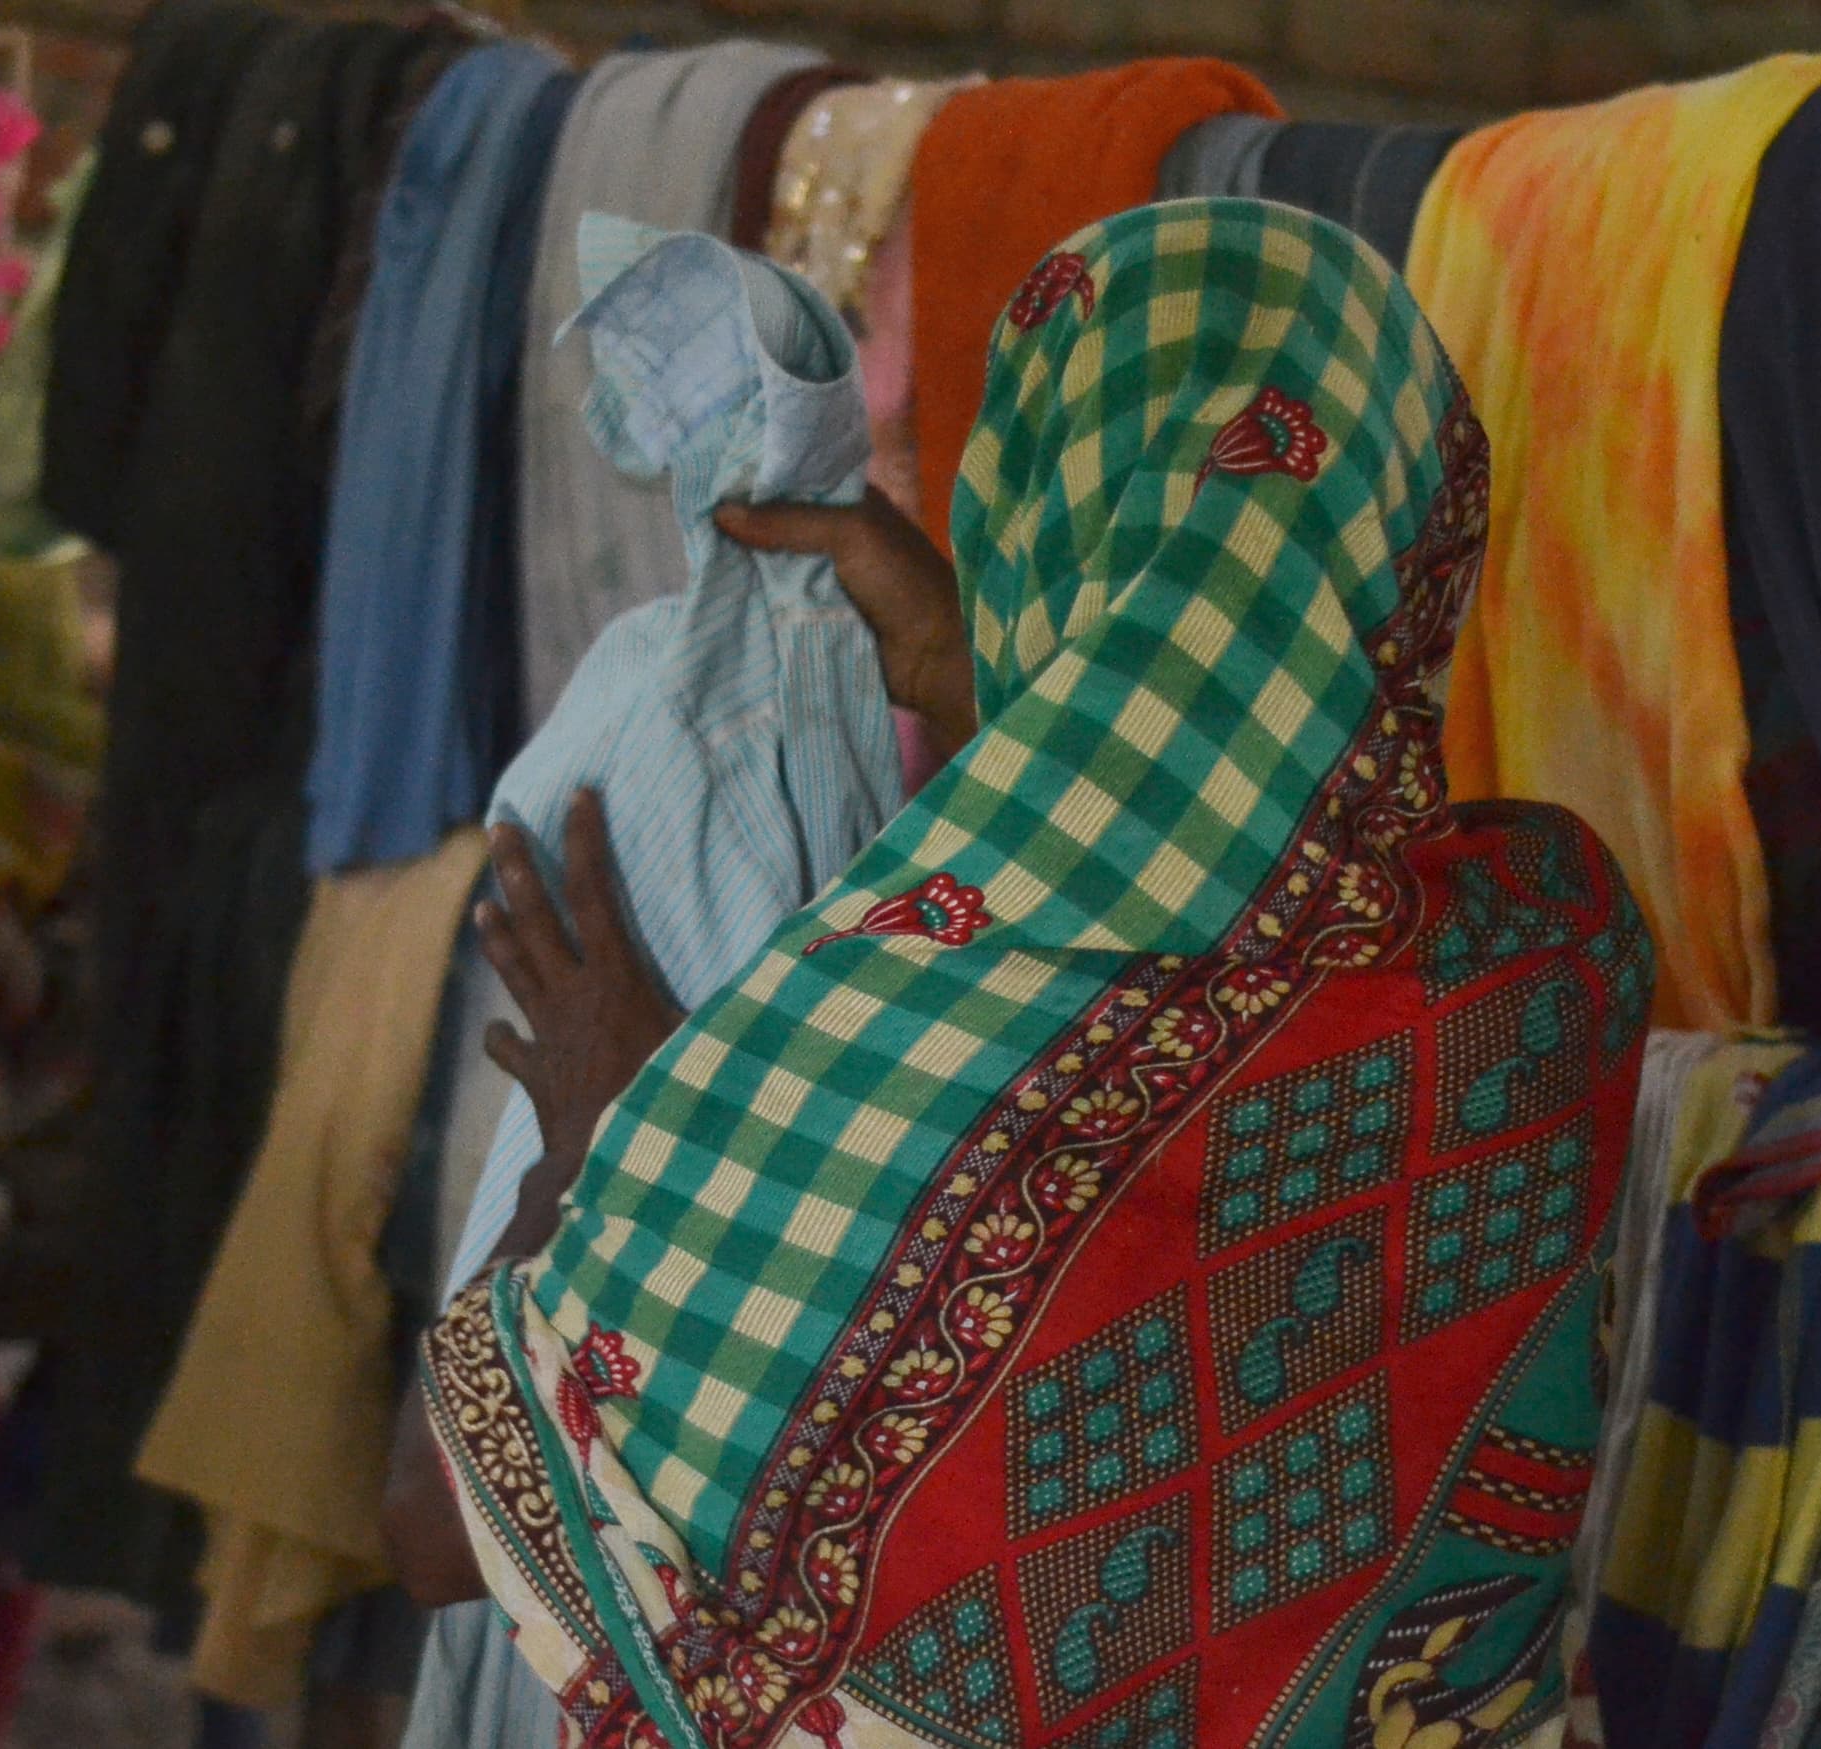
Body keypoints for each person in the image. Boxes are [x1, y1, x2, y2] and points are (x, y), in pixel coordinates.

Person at [386, 198, 1655, 1749]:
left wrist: (608, 1140)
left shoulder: (855, 1047)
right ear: (1420, 536)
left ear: (1030, 524)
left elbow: (434, 1528)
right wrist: (1015, 691)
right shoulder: (1545, 965)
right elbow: (1230, 885)